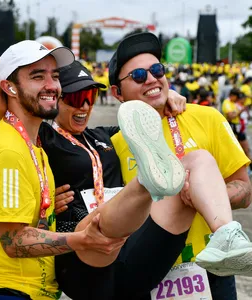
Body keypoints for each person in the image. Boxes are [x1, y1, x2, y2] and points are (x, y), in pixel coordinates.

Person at [0, 28, 252, 300]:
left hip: (135, 255)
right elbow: (1, 98)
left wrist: (166, 95)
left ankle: (226, 235)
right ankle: (152, 184)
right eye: (75, 96)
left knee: (196, 160)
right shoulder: (45, 138)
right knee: (122, 205)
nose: (83, 104)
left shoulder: (110, 138)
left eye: (89, 96)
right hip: (84, 251)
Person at [108, 32, 252, 300]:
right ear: (117, 92)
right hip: (149, 272)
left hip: (211, 269)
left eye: (157, 69)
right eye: (138, 75)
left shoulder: (207, 117)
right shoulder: (114, 143)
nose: (151, 78)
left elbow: (245, 190)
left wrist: (199, 195)